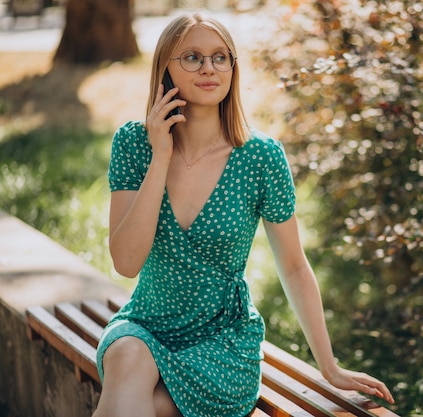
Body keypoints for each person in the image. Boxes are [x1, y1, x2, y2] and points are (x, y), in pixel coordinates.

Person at [93, 12, 394, 417]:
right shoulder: (135, 143)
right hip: (147, 325)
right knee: (127, 356)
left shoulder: (261, 157)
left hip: (223, 343)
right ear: (164, 66)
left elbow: (292, 265)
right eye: (192, 57)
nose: (209, 68)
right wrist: (160, 155)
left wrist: (329, 366)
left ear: (233, 67)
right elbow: (126, 263)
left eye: (221, 57)